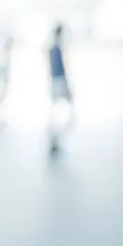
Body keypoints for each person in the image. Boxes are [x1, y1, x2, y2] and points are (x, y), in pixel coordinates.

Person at [48, 24, 74, 154]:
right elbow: (60, 70)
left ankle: (54, 140)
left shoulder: (53, 48)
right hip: (59, 82)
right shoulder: (56, 49)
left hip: (55, 82)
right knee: (66, 113)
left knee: (57, 113)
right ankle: (55, 139)